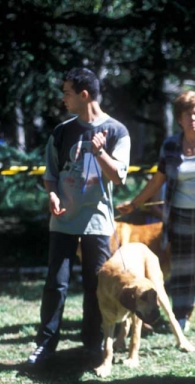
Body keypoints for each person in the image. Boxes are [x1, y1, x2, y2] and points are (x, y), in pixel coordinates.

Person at [28, 67, 130, 365]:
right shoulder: (62, 132)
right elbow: (51, 174)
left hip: (98, 223)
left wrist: (100, 153)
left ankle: (93, 343)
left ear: (84, 95)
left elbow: (119, 178)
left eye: (68, 93)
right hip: (63, 221)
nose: (63, 98)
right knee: (55, 283)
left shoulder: (117, 131)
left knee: (94, 285)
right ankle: (45, 345)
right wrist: (52, 194)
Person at [117, 91, 195, 330]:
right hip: (181, 213)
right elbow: (157, 181)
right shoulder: (171, 145)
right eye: (187, 115)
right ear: (180, 119)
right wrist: (134, 203)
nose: (193, 119)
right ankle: (181, 317)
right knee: (182, 268)